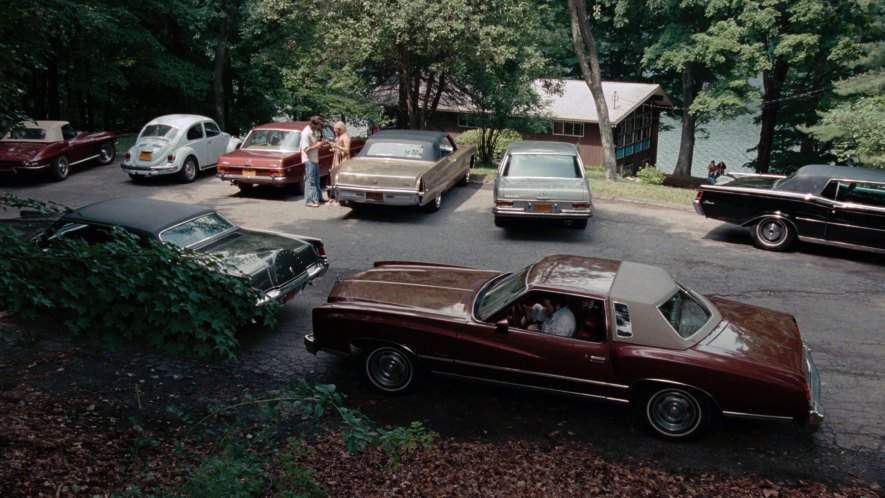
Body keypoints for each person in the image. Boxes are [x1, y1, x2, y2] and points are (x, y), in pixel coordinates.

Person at [300, 116, 326, 207]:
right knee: (310, 180)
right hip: (309, 159)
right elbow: (306, 149)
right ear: (314, 124)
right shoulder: (305, 133)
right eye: (319, 125)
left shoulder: (313, 131)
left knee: (316, 179)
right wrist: (318, 145)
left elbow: (315, 143)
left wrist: (321, 143)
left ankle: (318, 198)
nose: (319, 128)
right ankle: (310, 201)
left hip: (314, 158)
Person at [327, 121, 351, 203]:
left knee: (340, 177)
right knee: (334, 176)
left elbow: (347, 150)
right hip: (337, 158)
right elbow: (339, 148)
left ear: (340, 129)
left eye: (335, 129)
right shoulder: (339, 136)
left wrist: (336, 146)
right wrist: (333, 148)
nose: (334, 131)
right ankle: (335, 196)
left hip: (343, 160)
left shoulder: (345, 137)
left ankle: (342, 197)